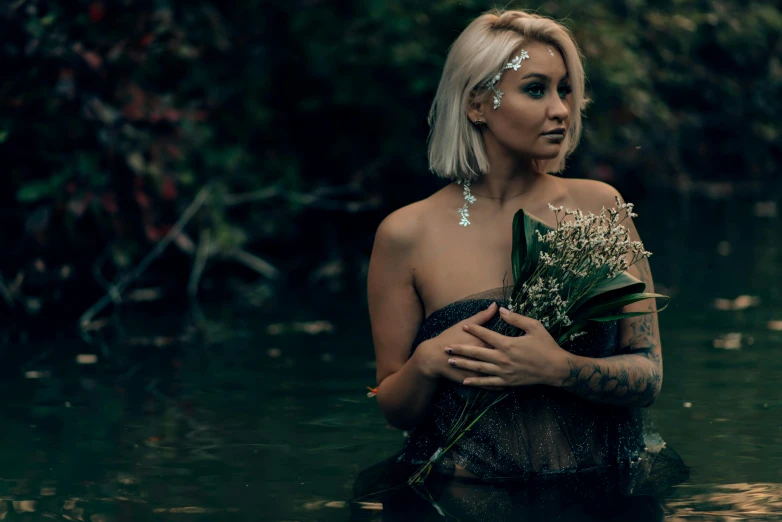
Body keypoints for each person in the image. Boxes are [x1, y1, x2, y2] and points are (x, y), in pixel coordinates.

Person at [354, 8, 687, 521]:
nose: (561, 110)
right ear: (477, 104)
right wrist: (424, 363)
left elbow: (648, 375)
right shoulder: (406, 234)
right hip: (457, 500)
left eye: (565, 89)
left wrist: (560, 368)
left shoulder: (599, 209)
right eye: (536, 89)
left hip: (607, 495)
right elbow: (393, 405)